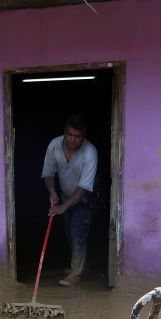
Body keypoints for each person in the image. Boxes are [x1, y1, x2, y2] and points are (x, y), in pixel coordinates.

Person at [41, 114, 98, 286]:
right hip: (66, 197)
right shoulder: (54, 145)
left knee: (77, 232)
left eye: (78, 136)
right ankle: (82, 266)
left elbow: (85, 187)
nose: (73, 139)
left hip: (85, 199)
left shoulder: (90, 153)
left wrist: (63, 207)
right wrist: (52, 191)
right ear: (64, 132)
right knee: (69, 233)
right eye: (70, 135)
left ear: (84, 135)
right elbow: (48, 172)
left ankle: (76, 274)